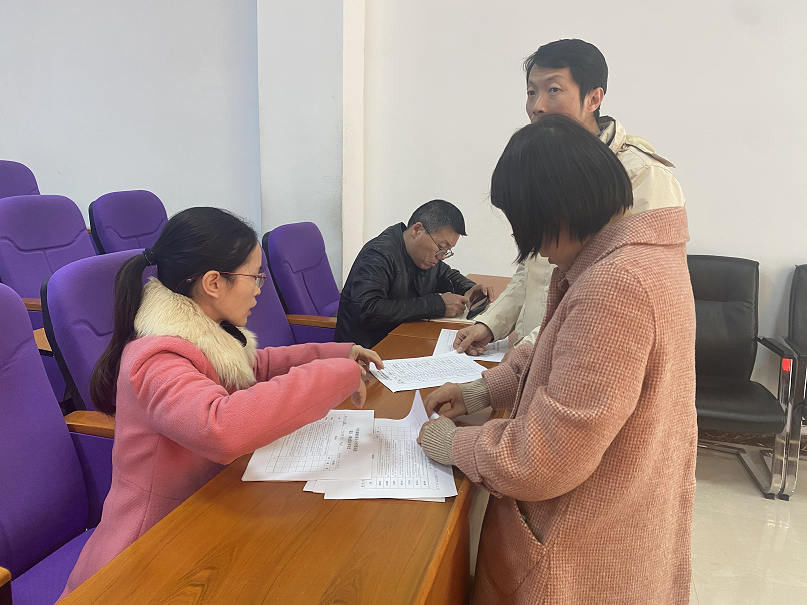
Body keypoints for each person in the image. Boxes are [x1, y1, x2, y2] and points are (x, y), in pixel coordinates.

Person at [419, 115, 697, 603]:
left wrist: (455, 444)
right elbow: (561, 356)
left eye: (528, 228)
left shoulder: (616, 284)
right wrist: (483, 390)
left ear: (557, 211)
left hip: (579, 549)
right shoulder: (641, 257)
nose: (537, 251)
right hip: (623, 510)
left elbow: (546, 456)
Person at [59, 207, 382, 598]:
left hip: (204, 515)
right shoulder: (156, 360)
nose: (260, 289)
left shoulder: (207, 333)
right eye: (255, 277)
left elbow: (256, 367)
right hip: (144, 553)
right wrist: (334, 375)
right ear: (213, 282)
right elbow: (220, 427)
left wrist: (337, 354)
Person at [454, 38, 686, 356]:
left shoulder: (642, 174)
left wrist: (528, 354)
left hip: (582, 351)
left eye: (553, 90)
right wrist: (490, 324)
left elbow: (616, 291)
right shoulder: (545, 165)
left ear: (593, 98)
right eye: (531, 92)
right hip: (535, 355)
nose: (537, 106)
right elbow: (532, 267)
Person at [336, 199, 493, 348]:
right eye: (441, 247)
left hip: (403, 338)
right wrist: (437, 305)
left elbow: (447, 275)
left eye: (447, 251)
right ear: (417, 230)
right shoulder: (378, 254)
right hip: (367, 351)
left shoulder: (423, 255)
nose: (442, 256)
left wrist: (469, 288)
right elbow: (368, 310)